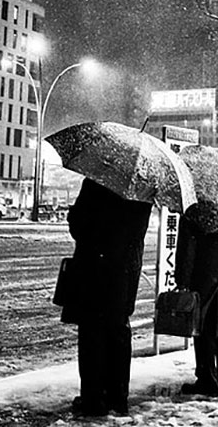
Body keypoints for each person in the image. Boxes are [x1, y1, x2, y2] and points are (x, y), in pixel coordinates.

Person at [65, 178, 152, 417]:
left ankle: (93, 399)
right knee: (119, 331)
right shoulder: (143, 189)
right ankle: (118, 397)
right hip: (125, 270)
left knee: (92, 334)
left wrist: (73, 214)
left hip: (95, 269)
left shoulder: (96, 182)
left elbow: (80, 228)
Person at [175, 212, 218, 396]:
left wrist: (182, 280)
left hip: (202, 271)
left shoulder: (196, 206)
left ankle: (208, 379)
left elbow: (186, 247)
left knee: (204, 326)